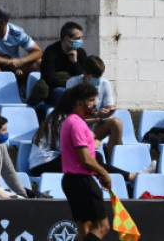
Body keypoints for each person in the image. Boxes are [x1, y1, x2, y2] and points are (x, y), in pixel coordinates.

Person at [28, 92, 155, 182]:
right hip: (42, 165)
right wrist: (92, 145)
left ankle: (126, 177)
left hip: (53, 160)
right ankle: (131, 176)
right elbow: (70, 151)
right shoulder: (63, 121)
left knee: (97, 157)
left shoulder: (65, 118)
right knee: (91, 159)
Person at [60, 81, 112, 241]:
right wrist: (104, 173)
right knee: (102, 227)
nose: (95, 104)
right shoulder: (76, 124)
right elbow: (85, 158)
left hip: (72, 180)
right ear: (79, 103)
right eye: (91, 100)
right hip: (81, 181)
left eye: (94, 99)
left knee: (84, 230)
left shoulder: (72, 121)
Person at [65, 55, 122, 162]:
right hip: (77, 129)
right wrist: (97, 116)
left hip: (95, 126)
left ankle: (112, 163)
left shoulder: (104, 83)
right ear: (85, 73)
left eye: (99, 77)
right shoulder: (72, 83)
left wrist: (107, 112)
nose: (98, 80)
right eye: (95, 77)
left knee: (117, 123)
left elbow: (109, 106)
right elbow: (71, 116)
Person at [0, 4, 42, 93]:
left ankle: (25, 93)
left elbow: (38, 51)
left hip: (14, 67)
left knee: (39, 63)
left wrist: (22, 61)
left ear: (3, 23)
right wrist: (9, 62)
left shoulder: (17, 33)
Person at [31, 21, 87, 106]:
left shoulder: (81, 53)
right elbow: (49, 78)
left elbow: (83, 77)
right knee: (66, 94)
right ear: (66, 38)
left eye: (81, 38)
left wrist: (75, 62)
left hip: (74, 88)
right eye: (77, 38)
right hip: (53, 90)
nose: (80, 41)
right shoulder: (51, 52)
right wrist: (69, 84)